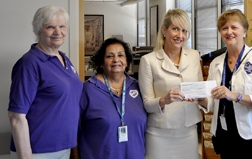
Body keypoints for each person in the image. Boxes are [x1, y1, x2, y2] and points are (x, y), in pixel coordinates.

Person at [197, 9, 252, 159]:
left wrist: (234, 96)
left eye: (234, 27)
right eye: (224, 28)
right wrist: (199, 98)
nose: (229, 32)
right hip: (225, 133)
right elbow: (210, 100)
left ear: (245, 31)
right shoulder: (216, 63)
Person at [7, 5, 83, 159]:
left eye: (62, 26)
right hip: (37, 150)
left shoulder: (64, 58)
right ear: (39, 30)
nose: (58, 32)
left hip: (63, 147)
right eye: (50, 27)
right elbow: (16, 116)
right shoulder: (29, 63)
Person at [138, 8, 203, 159]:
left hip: (188, 131)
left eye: (184, 31)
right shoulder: (148, 61)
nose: (180, 35)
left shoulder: (194, 56)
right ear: (164, 30)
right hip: (159, 132)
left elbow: (200, 91)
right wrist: (164, 100)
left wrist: (204, 99)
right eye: (175, 29)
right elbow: (147, 103)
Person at [77, 38, 147, 159]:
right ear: (101, 62)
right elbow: (74, 131)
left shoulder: (138, 87)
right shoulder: (87, 90)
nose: (116, 60)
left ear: (126, 62)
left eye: (121, 55)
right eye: (110, 56)